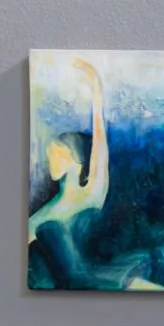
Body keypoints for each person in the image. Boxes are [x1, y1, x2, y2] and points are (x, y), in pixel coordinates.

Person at [27, 57, 109, 286]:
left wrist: (96, 89)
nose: (51, 160)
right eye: (50, 155)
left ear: (78, 160)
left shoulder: (91, 193)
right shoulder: (42, 213)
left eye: (58, 154)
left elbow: (100, 146)